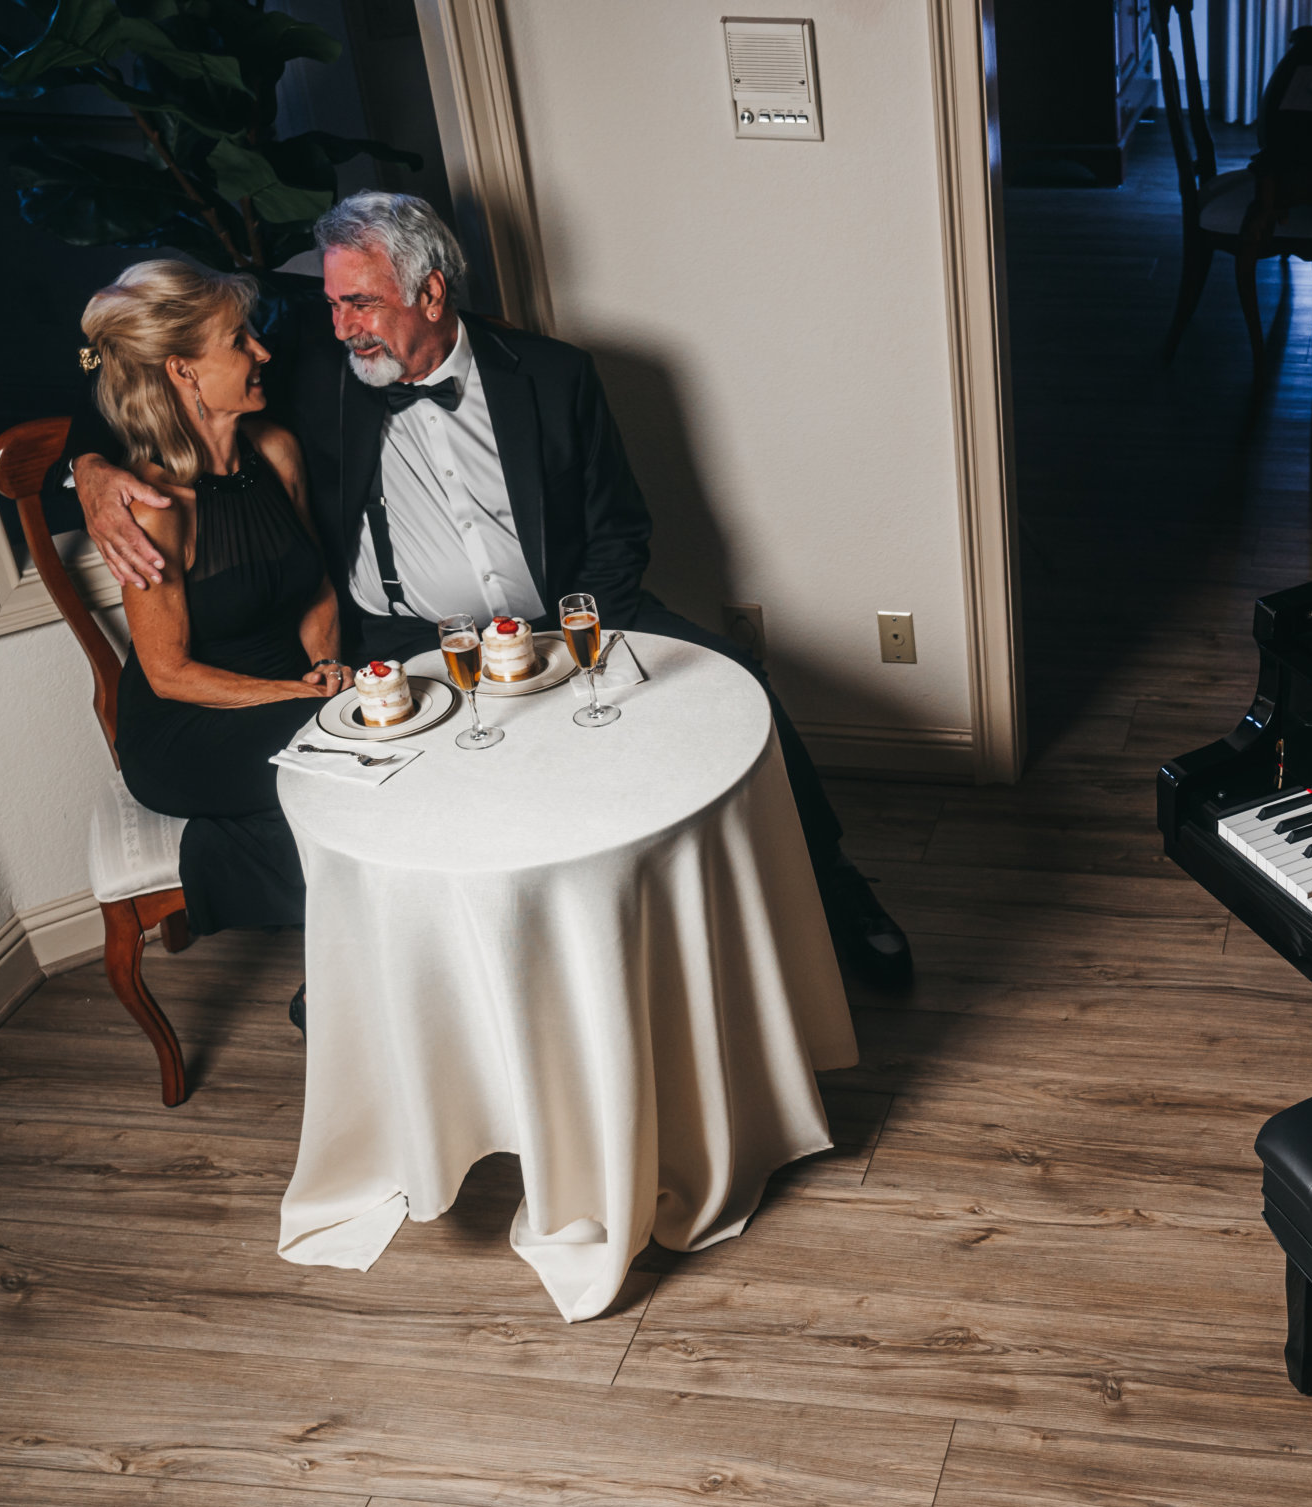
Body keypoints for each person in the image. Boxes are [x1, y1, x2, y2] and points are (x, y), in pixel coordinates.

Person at [70, 192, 912, 989]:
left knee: (738, 683)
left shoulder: (555, 375)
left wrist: (575, 640)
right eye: (331, 306)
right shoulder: (309, 370)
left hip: (571, 616)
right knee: (441, 781)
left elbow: (620, 529)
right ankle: (434, 966)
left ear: (431, 292)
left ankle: (832, 883)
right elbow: (140, 353)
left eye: (360, 304)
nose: (339, 325)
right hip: (406, 639)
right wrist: (91, 465)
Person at [83, 260, 349, 1030]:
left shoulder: (277, 451)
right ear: (184, 372)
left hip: (285, 688)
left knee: (380, 753)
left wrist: (322, 668)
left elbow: (319, 587)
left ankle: (340, 973)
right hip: (186, 723)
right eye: (240, 341)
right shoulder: (154, 505)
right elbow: (166, 673)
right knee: (344, 774)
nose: (262, 352)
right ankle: (350, 980)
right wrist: (303, 700)